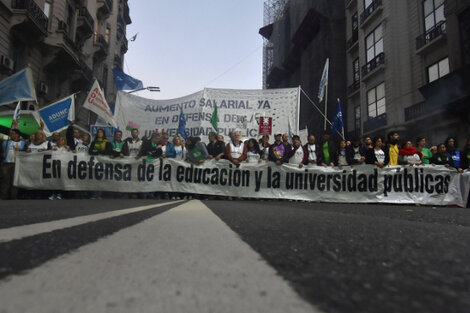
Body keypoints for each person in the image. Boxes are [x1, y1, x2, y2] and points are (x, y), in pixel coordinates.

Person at [1, 123, 26, 200]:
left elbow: (26, 150)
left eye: (13, 134)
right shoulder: (5, 142)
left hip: (17, 163)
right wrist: (2, 154)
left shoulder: (22, 143)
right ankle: (4, 196)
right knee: (6, 180)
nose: (11, 135)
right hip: (7, 163)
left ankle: (13, 196)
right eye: (11, 133)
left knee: (15, 180)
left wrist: (21, 150)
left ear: (17, 135)